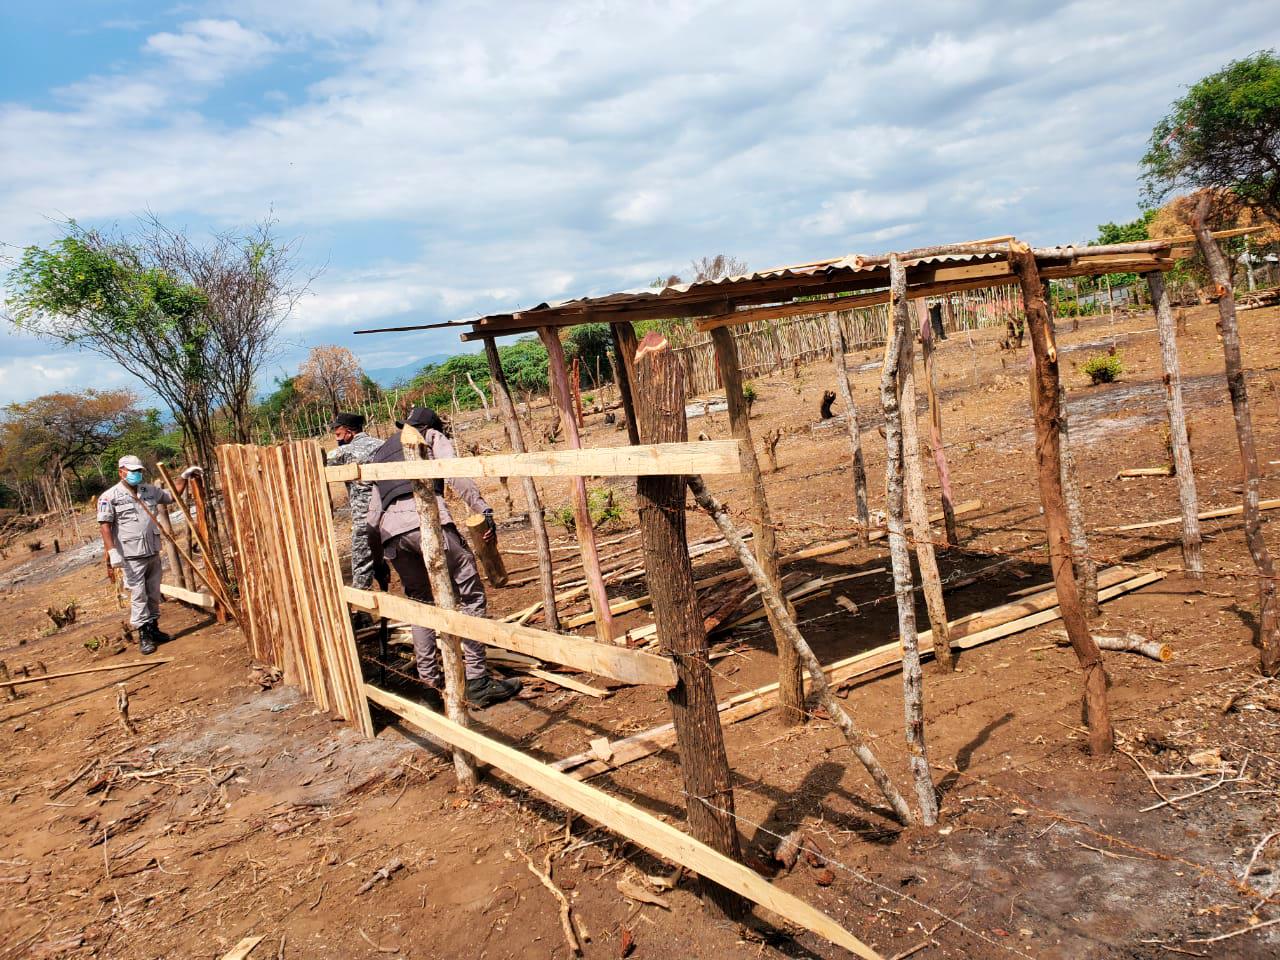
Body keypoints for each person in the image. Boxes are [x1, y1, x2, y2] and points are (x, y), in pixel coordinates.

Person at [366, 407, 520, 709]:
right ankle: (477, 681)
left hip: (391, 536)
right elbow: (455, 474)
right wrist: (483, 509)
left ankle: (430, 685)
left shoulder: (381, 452)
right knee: (470, 595)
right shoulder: (431, 436)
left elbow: (371, 517)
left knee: (420, 603)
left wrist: (378, 560)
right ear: (432, 426)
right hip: (427, 524)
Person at [98, 455, 203, 655]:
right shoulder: (109, 497)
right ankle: (144, 635)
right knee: (139, 596)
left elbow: (173, 496)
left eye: (138, 471)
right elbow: (105, 526)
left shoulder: (149, 491)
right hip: (130, 556)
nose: (136, 474)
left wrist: (183, 477)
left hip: (152, 551)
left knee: (153, 593)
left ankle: (154, 629)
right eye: (132, 471)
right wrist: (112, 551)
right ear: (121, 472)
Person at [325, 412, 390, 594]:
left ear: (349, 432)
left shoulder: (343, 452)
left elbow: (316, 464)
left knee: (362, 567)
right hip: (390, 513)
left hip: (364, 518)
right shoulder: (382, 445)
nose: (336, 437)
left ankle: (363, 614)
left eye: (338, 434)